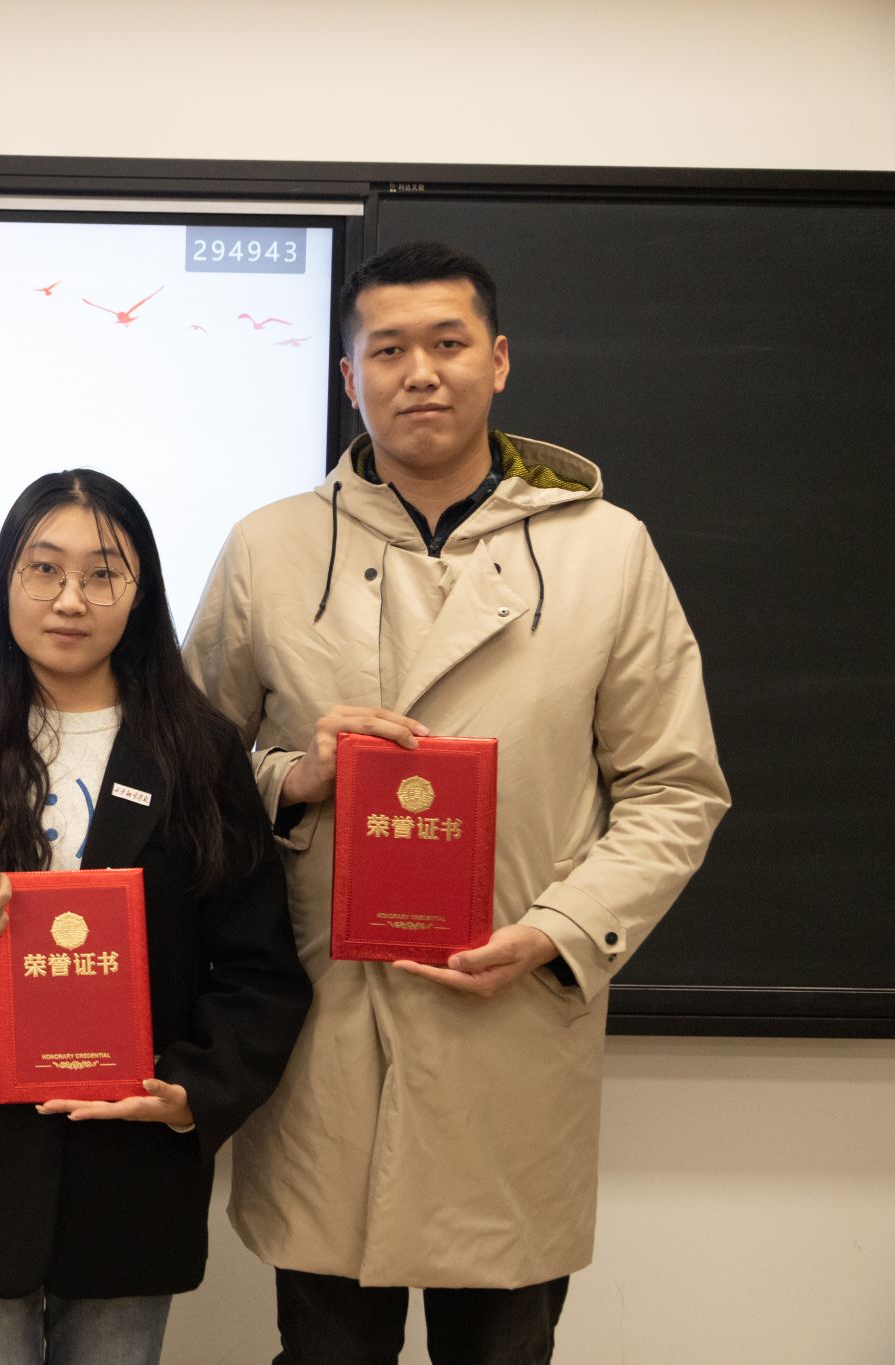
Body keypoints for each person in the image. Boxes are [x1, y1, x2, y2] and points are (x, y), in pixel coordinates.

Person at [185, 241, 731, 1364]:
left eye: (447, 344)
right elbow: (187, 768)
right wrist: (290, 777)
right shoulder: (270, 548)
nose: (420, 373)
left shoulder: (606, 551)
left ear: (499, 360)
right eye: (388, 350)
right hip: (326, 1029)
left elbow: (673, 786)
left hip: (509, 1035)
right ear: (350, 377)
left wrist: (558, 931)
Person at [0, 469, 312, 1365]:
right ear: (6, 580)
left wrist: (191, 1094)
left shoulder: (200, 751)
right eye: (44, 569)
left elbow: (260, 968)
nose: (70, 598)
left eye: (103, 573)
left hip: (130, 1175)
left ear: (140, 593)